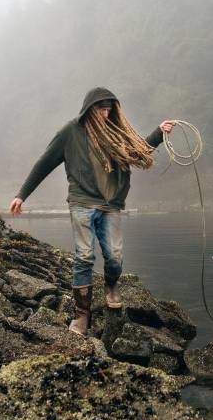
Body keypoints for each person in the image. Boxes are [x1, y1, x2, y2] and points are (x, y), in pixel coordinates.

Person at [9, 87, 174, 335]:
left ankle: (111, 285)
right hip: (82, 202)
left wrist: (159, 133)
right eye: (101, 109)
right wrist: (21, 195)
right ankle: (81, 315)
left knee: (114, 257)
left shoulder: (115, 132)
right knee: (84, 256)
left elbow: (138, 151)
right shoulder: (70, 131)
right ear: (89, 109)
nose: (105, 114)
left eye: (109, 109)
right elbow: (44, 163)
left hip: (111, 205)